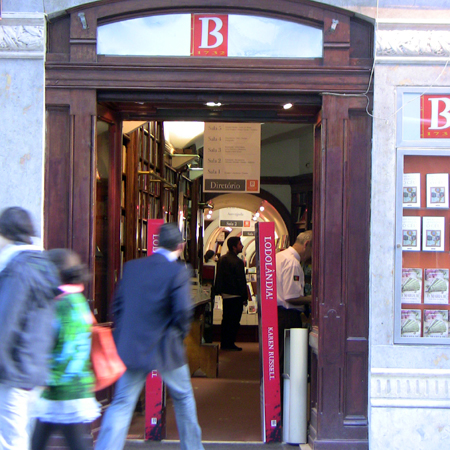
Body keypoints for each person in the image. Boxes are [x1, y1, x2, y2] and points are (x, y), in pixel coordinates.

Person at [95, 223, 204, 450]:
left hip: (133, 347)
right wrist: (180, 334)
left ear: (156, 243)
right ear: (181, 246)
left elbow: (118, 305)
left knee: (122, 402)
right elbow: (183, 311)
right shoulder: (178, 271)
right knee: (183, 398)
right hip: (167, 348)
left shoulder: (132, 267)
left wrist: (127, 334)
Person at [0, 207, 60, 450]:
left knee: (12, 441)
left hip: (12, 368)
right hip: (34, 366)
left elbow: (6, 322)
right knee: (20, 436)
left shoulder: (18, 269)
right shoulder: (44, 266)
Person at [31, 249, 100, 450]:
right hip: (71, 385)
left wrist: (48, 377)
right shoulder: (77, 299)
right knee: (44, 440)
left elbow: (66, 347)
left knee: (47, 441)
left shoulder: (63, 304)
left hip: (64, 387)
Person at [276, 230, 312, 376]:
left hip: (277, 315)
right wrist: (311, 298)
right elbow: (291, 297)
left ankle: (277, 395)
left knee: (278, 358)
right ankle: (285, 396)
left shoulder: (279, 256)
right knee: (288, 360)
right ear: (307, 244)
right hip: (287, 317)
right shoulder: (293, 263)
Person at [214, 236, 248, 351]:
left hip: (226, 295)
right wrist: (244, 296)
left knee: (226, 319)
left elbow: (218, 277)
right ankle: (230, 342)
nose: (242, 246)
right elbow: (241, 280)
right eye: (239, 244)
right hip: (236, 295)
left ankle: (224, 342)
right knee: (234, 321)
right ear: (234, 247)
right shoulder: (238, 262)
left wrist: (219, 290)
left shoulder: (222, 259)